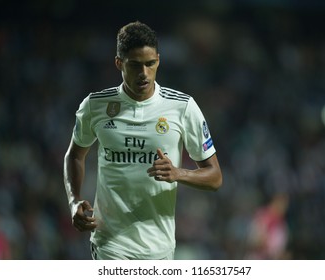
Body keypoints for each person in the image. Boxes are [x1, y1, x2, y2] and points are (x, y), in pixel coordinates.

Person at [63, 21, 222, 260]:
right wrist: (74, 201)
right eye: (135, 65)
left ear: (158, 60)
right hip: (110, 244)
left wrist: (179, 173)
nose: (144, 73)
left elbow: (215, 177)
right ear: (119, 63)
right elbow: (75, 154)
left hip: (159, 248)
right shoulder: (95, 105)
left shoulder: (182, 107)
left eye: (150, 64)